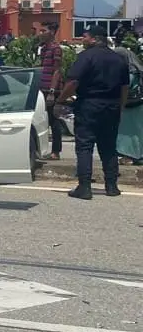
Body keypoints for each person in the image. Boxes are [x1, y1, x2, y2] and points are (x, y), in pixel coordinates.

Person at [57, 25, 130, 199]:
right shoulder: (118, 59)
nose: (83, 39)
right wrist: (121, 107)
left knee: (84, 146)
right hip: (112, 106)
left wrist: (60, 100)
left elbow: (73, 82)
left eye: (85, 36)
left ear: (95, 39)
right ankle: (112, 186)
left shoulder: (86, 57)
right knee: (109, 148)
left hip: (89, 105)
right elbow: (125, 87)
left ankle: (84, 187)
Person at [36, 22, 65, 160]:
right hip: (42, 88)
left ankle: (56, 151)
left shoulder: (56, 48)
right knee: (43, 120)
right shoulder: (43, 49)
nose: (40, 33)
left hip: (51, 89)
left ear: (52, 32)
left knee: (54, 120)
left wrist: (52, 91)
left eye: (43, 30)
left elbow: (57, 70)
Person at [113, 38, 143, 167]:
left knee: (127, 133)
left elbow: (125, 87)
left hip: (130, 106)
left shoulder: (130, 72)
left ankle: (129, 156)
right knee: (137, 132)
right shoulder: (138, 69)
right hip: (137, 105)